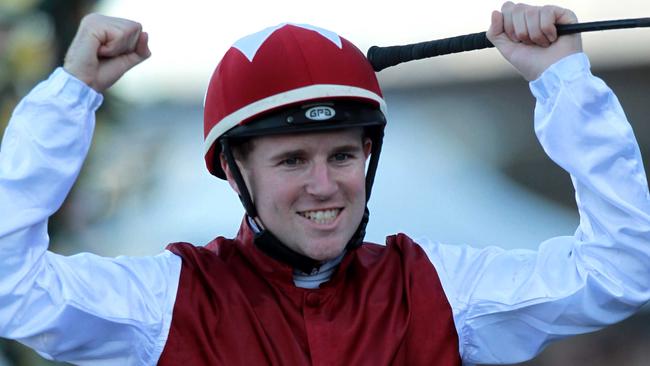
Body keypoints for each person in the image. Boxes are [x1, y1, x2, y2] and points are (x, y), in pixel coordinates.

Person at [1, 2, 649, 365]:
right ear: (233, 170)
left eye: (343, 154)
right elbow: (11, 287)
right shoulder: (165, 301)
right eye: (291, 161)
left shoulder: (440, 289)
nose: (324, 186)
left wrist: (561, 82)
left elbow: (622, 270)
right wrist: (73, 93)